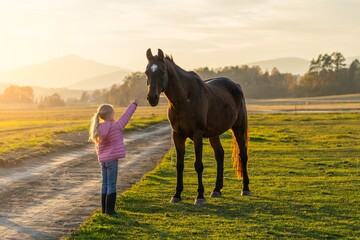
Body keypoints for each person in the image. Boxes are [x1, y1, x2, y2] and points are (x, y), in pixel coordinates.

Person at [89, 100, 138, 215]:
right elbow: (126, 116)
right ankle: (110, 210)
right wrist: (133, 105)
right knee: (112, 184)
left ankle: (104, 210)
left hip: (103, 161)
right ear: (110, 114)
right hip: (112, 161)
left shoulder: (98, 128)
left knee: (104, 184)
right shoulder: (116, 126)